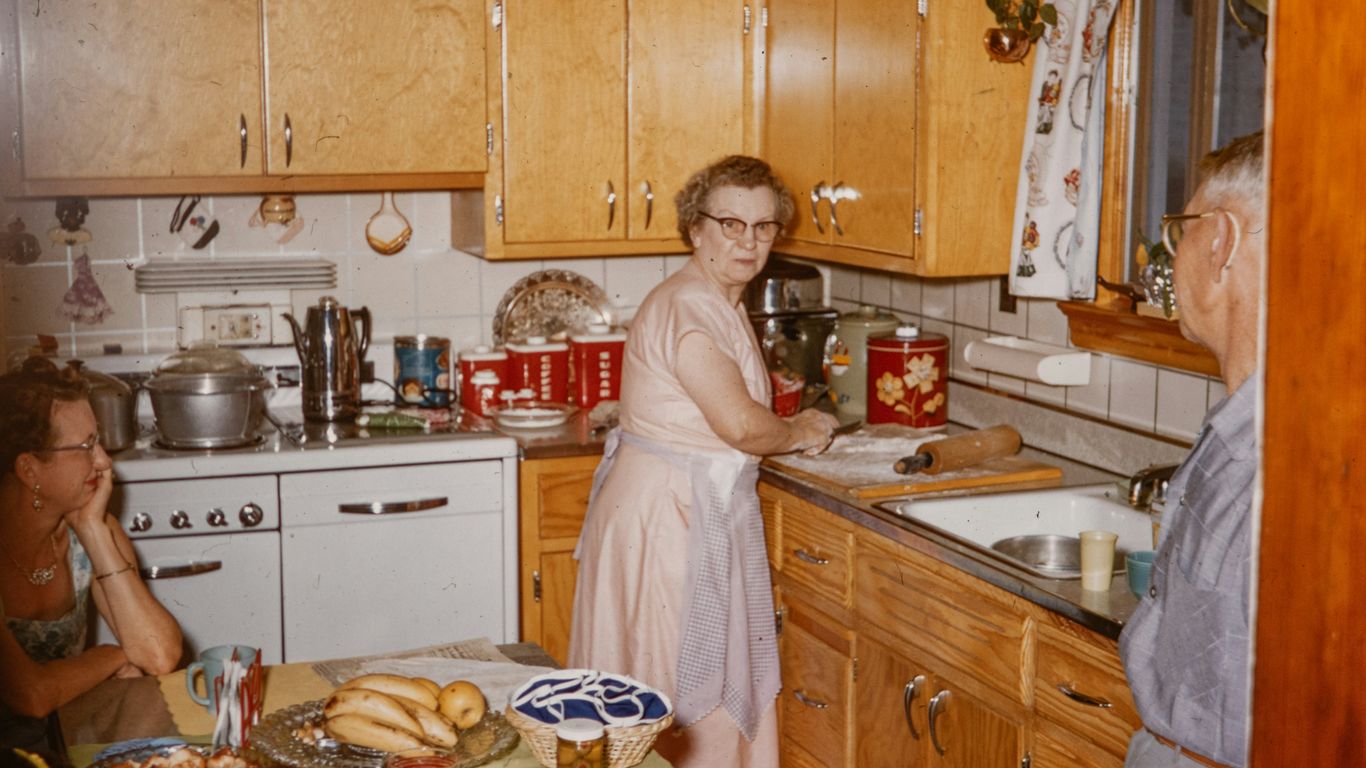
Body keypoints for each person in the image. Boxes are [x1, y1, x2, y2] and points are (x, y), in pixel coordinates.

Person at [568, 155, 839, 767]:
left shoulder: (713, 296)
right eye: (730, 223)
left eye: (764, 226)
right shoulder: (692, 309)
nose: (748, 241)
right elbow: (741, 424)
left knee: (659, 680)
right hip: (670, 521)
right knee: (673, 686)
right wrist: (800, 429)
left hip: (674, 508)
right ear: (696, 228)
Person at [1119, 131, 1265, 768]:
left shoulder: (1281, 465)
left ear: (1222, 241)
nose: (1172, 254)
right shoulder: (1236, 430)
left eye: (1181, 230)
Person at [0, 358, 183, 752]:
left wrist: (93, 530)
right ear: (29, 469)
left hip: (66, 740)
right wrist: (114, 656)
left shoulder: (87, 528)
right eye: (86, 446)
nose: (103, 460)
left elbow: (159, 655)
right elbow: (29, 694)